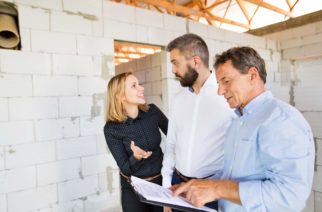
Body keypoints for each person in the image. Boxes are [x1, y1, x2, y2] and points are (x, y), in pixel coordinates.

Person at [172, 46, 315, 212]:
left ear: (252, 75)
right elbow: (234, 177)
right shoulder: (237, 123)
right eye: (218, 83)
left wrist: (216, 189)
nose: (220, 91)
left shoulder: (281, 119)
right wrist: (195, 186)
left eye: (226, 81)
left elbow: (289, 196)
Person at [161, 33, 235, 211]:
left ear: (195, 62)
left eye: (175, 63)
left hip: (210, 191)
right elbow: (171, 143)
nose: (173, 70)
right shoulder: (178, 99)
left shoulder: (228, 96)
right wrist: (166, 186)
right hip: (178, 186)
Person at [104, 72, 168, 212]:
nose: (141, 88)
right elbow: (125, 167)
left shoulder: (153, 112)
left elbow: (175, 137)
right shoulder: (111, 129)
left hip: (160, 183)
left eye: (139, 84)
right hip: (133, 188)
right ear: (120, 96)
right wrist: (136, 158)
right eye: (134, 86)